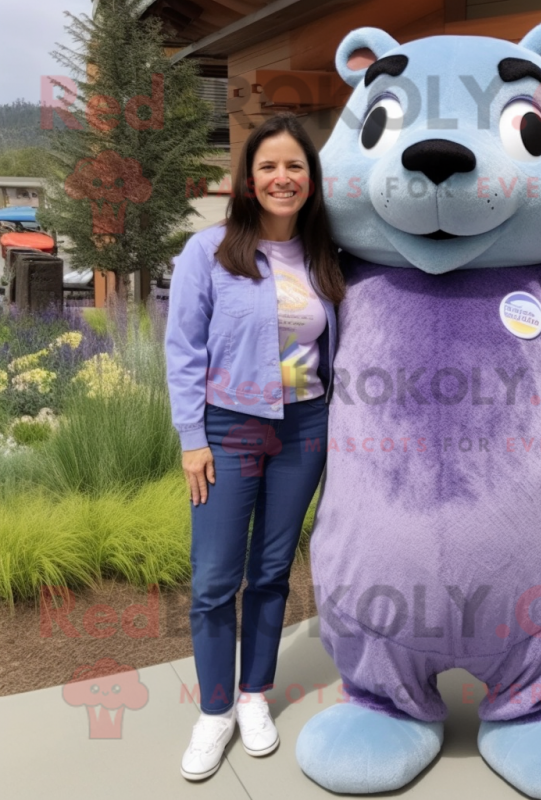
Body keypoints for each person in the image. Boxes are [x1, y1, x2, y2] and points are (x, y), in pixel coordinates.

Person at [165, 112, 344, 781]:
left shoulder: (325, 256)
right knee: (215, 579)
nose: (282, 177)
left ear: (310, 179)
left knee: (271, 573)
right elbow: (183, 350)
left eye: (294, 166)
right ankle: (214, 711)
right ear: (246, 179)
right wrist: (191, 439)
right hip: (228, 428)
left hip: (303, 429)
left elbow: (328, 351)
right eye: (268, 166)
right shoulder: (208, 251)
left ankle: (253, 695)